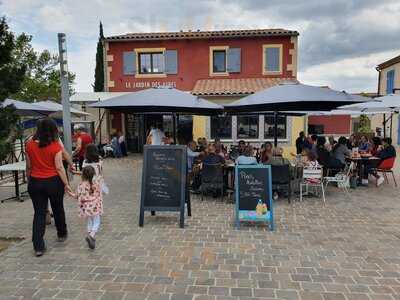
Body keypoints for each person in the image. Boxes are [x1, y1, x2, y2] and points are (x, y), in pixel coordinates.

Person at [25, 118, 72, 257]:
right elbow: (59, 167)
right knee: (58, 208)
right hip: (53, 182)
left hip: (35, 181)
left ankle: (38, 246)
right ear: (53, 130)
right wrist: (66, 184)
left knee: (39, 213)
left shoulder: (29, 145)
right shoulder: (55, 146)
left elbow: (28, 166)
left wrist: (30, 180)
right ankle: (62, 233)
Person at [68, 165, 103, 249]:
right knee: (97, 221)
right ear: (93, 174)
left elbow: (77, 196)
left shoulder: (81, 185)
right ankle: (91, 236)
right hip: (95, 206)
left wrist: (70, 193)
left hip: (86, 208)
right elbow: (102, 188)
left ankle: (90, 236)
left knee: (90, 221)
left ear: (83, 175)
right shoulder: (96, 183)